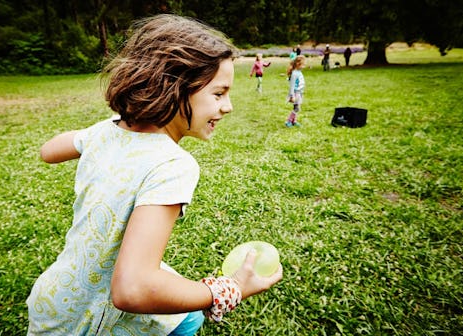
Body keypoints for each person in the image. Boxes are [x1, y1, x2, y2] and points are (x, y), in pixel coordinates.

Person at [26, 14, 283, 336]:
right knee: (187, 320)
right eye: (219, 94)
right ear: (173, 87)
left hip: (55, 296)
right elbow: (132, 289)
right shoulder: (172, 165)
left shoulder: (105, 130)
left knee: (187, 318)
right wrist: (227, 289)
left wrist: (99, 134)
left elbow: (49, 151)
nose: (228, 106)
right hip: (89, 320)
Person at [285, 55, 306, 127]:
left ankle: (294, 121)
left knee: (297, 107)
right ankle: (289, 121)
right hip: (295, 93)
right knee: (297, 108)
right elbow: (292, 85)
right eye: (303, 64)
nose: (304, 66)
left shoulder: (299, 72)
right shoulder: (294, 73)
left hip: (299, 92)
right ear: (298, 64)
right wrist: (292, 96)